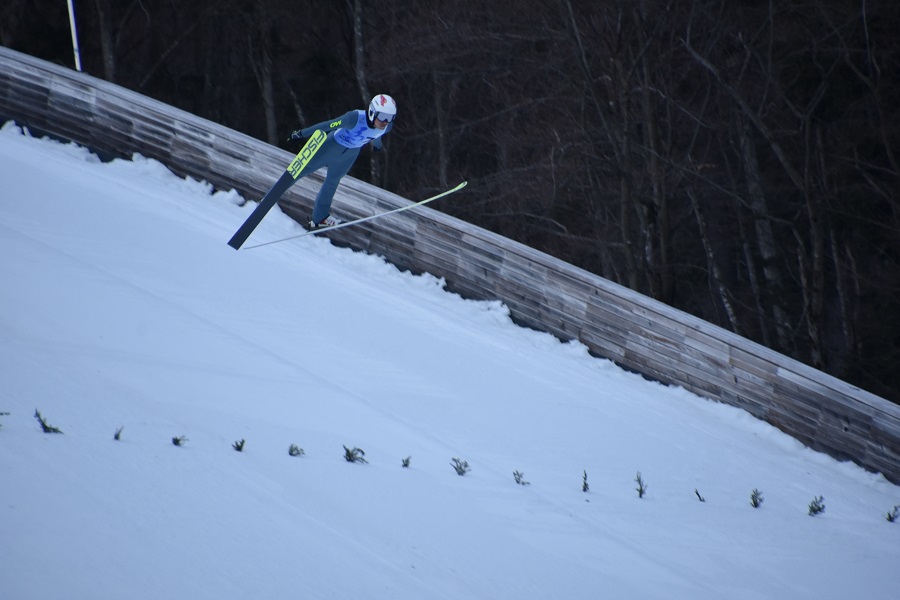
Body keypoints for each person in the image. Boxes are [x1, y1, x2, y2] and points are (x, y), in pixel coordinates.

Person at [288, 93, 397, 229]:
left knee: (332, 182)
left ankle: (319, 218)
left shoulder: (386, 127)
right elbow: (328, 125)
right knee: (304, 169)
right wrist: (301, 134)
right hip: (332, 145)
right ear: (372, 112)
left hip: (350, 154)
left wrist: (377, 146)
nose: (385, 121)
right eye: (382, 116)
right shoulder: (354, 118)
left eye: (390, 117)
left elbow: (378, 135)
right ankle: (273, 194)